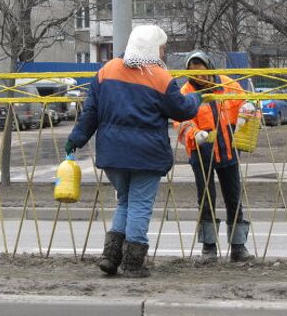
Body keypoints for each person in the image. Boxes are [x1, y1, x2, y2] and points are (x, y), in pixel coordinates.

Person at [65, 25, 202, 277]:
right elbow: (182, 109)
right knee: (139, 204)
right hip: (146, 156)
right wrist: (197, 98)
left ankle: (111, 257)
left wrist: (76, 138)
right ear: (152, 49)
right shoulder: (160, 77)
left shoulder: (106, 71)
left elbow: (91, 112)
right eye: (162, 48)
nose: (163, 54)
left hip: (112, 155)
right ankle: (132, 263)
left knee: (125, 202)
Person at [173, 50, 255, 262]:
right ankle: (209, 248)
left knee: (234, 197)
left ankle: (238, 246)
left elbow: (244, 106)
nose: (198, 77)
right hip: (202, 152)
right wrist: (194, 133)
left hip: (228, 149)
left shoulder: (227, 84)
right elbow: (180, 120)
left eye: (201, 72)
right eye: (193, 73)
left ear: (209, 68)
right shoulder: (185, 92)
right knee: (206, 199)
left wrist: (249, 108)